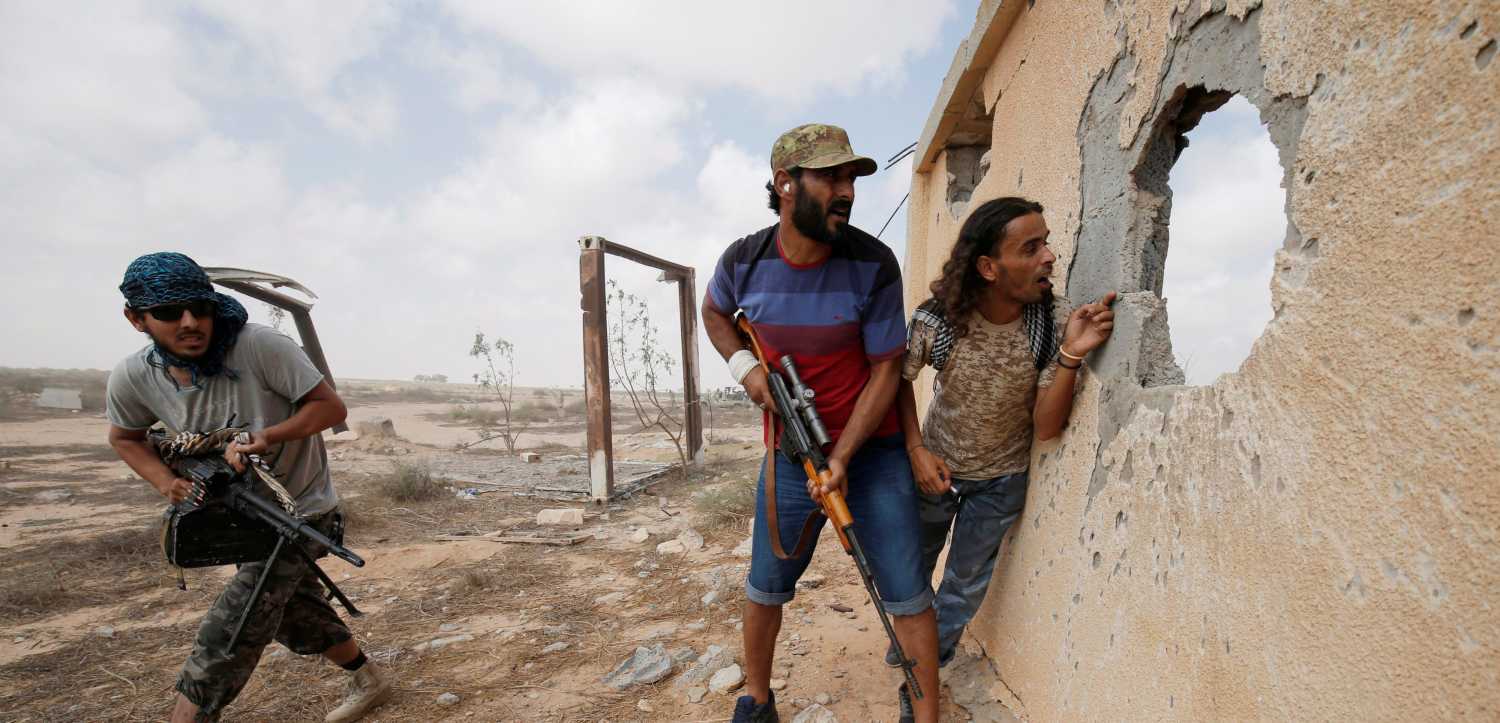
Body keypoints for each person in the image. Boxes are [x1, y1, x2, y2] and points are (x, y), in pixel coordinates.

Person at [701, 124, 940, 723]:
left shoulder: (872, 263)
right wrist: (746, 371)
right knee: (765, 586)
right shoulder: (744, 260)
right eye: (830, 177)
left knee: (909, 595)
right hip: (789, 456)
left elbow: (888, 371)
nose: (847, 191)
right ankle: (756, 701)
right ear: (785, 184)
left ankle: (925, 712)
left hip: (875, 455)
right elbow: (713, 311)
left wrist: (842, 457)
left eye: (851, 178)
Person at [104, 252, 392, 723]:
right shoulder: (135, 375)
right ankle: (368, 678)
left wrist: (270, 436)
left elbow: (330, 409)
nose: (191, 322)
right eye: (170, 313)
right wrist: (168, 483)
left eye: (200, 307)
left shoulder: (260, 347)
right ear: (136, 319)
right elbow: (125, 438)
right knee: (293, 613)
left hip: (299, 509)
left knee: (233, 627)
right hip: (236, 515)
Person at [895, 197, 1116, 667]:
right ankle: (912, 642)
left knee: (963, 584)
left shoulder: (1050, 321)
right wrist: (916, 450)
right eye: (1030, 247)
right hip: (935, 470)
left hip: (1001, 482)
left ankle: (923, 670)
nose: (1049, 257)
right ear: (989, 267)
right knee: (912, 568)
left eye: (1046, 243)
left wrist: (1071, 355)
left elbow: (1047, 427)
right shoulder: (938, 320)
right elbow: (896, 381)